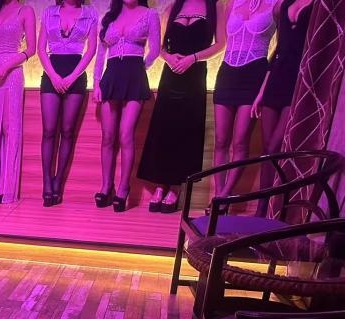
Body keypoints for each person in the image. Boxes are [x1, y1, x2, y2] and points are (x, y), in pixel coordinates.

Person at [136, 0, 225, 214]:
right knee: (164, 127)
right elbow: (158, 46)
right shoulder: (172, 7)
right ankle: (160, 184)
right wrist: (168, 57)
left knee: (186, 128)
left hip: (195, 73)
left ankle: (176, 187)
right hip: (171, 73)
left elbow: (220, 44)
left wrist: (193, 58)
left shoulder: (215, 6)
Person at [93, 0, 160, 212]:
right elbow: (100, 54)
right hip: (111, 75)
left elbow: (155, 49)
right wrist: (96, 83)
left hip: (134, 75)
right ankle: (106, 186)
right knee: (107, 136)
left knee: (126, 135)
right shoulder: (109, 16)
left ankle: (123, 188)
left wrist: (140, 69)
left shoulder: (150, 14)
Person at [211, 0, 278, 207]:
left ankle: (225, 196)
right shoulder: (231, 4)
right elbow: (222, 40)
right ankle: (218, 195)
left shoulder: (276, 4)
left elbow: (281, 49)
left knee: (240, 141)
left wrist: (265, 86)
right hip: (227, 73)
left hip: (255, 73)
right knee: (220, 140)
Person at [251, 0, 312, 216]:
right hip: (276, 79)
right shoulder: (284, 5)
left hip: (298, 80)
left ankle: (273, 207)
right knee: (267, 149)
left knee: (276, 146)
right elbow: (278, 49)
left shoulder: (319, 5)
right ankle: (262, 207)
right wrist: (261, 92)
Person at [38, 0, 98, 207]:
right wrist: (53, 76)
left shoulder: (90, 13)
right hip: (51, 72)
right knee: (48, 130)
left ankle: (58, 182)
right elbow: (41, 49)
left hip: (76, 73)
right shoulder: (49, 12)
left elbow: (91, 50)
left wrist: (72, 77)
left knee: (68, 131)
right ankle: (46, 182)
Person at [0, 0, 36, 204]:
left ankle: (7, 188)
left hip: (12, 74)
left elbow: (31, 49)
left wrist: (7, 65)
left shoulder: (25, 10)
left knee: (9, 127)